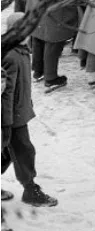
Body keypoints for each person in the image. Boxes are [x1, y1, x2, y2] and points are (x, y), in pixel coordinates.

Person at [2, 12, 58, 207]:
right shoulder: (10, 56)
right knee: (24, 151)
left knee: (7, 153)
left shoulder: (21, 51)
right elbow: (6, 93)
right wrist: (7, 123)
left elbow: (21, 86)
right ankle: (30, 190)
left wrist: (28, 104)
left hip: (17, 112)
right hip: (10, 117)